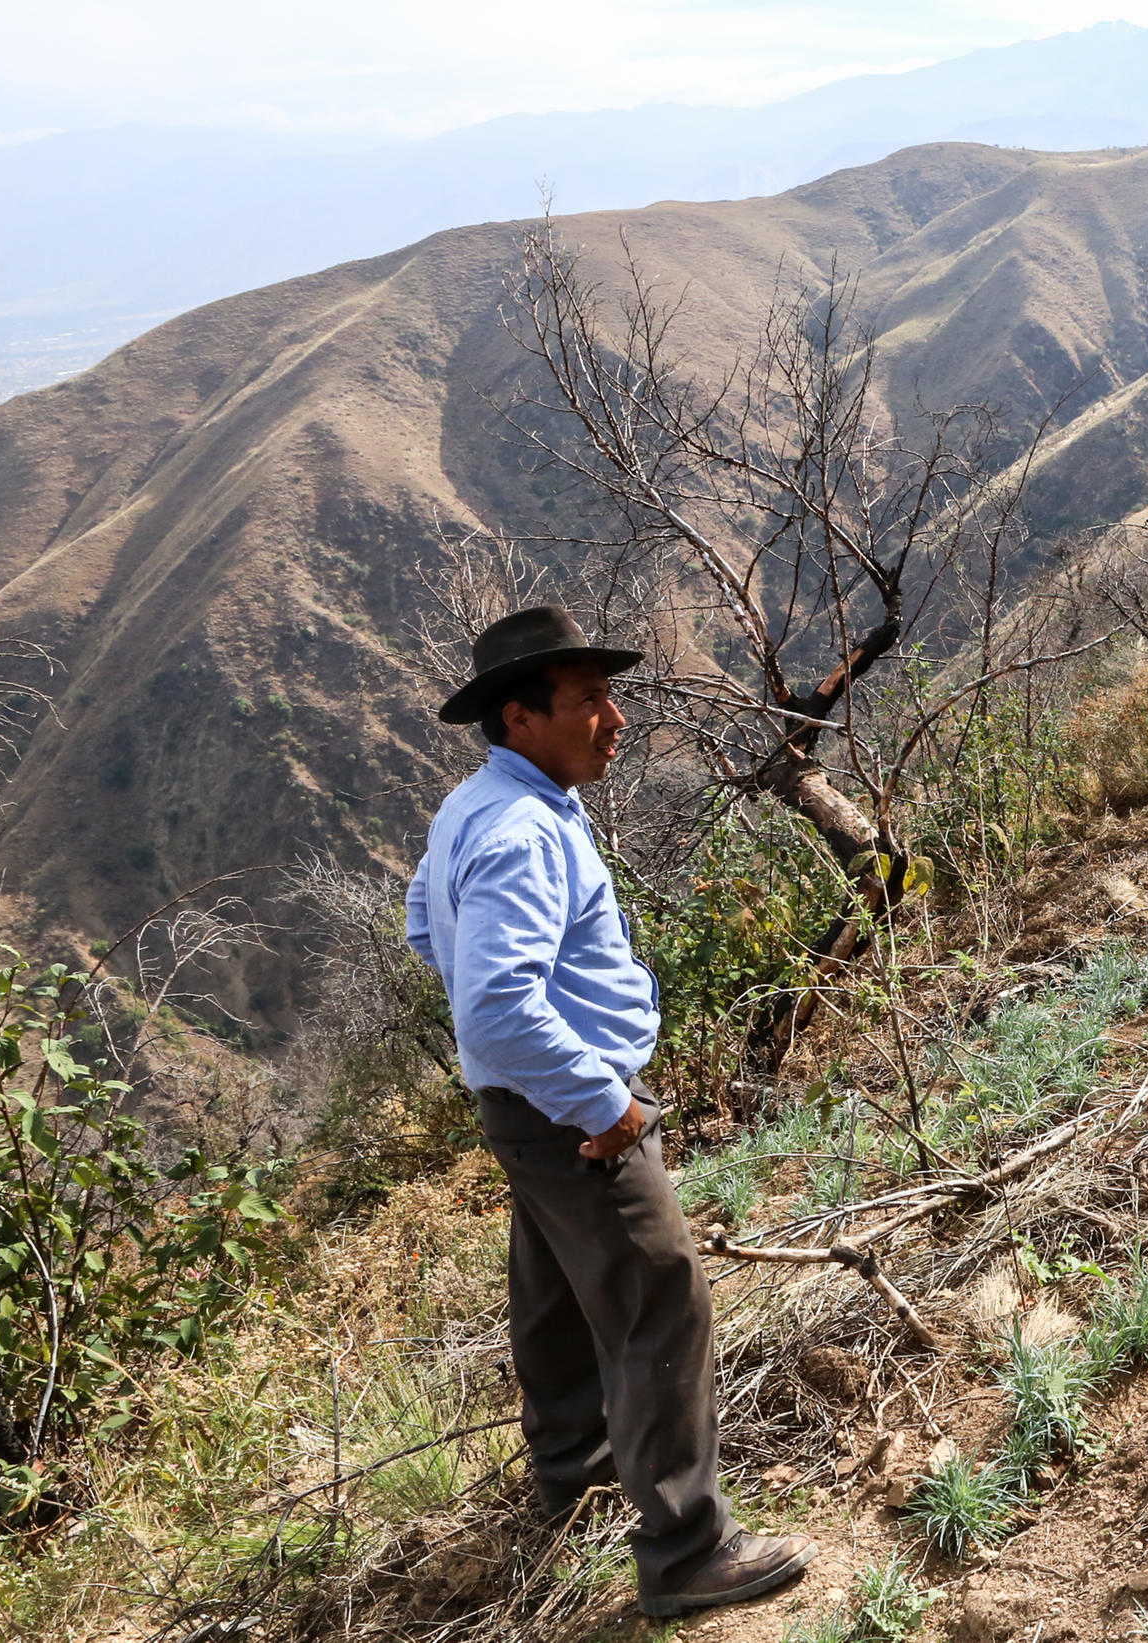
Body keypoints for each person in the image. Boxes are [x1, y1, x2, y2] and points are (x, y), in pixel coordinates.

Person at [405, 604, 815, 1618]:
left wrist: (515, 1046)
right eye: (590, 699)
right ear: (519, 716)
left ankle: (573, 1468)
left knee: (553, 1284)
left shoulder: (484, 806)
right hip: (568, 1111)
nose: (615, 716)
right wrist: (602, 1101)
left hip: (528, 1107)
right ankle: (686, 1552)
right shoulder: (517, 832)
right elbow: (497, 1004)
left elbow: (425, 920)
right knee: (658, 1292)